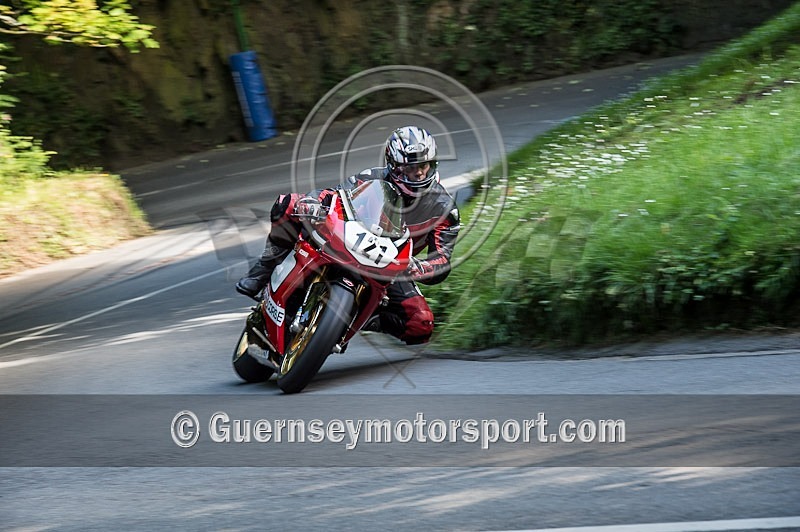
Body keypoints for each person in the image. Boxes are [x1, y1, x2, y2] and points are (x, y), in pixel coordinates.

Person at [236, 125, 460, 345]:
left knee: (421, 324)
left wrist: (419, 267)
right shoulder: (371, 177)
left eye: (424, 165)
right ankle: (264, 268)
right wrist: (313, 202)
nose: (419, 172)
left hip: (391, 267)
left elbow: (441, 258)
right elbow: (335, 196)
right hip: (348, 239)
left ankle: (367, 319)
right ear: (394, 166)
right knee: (288, 203)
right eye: (411, 167)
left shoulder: (445, 209)